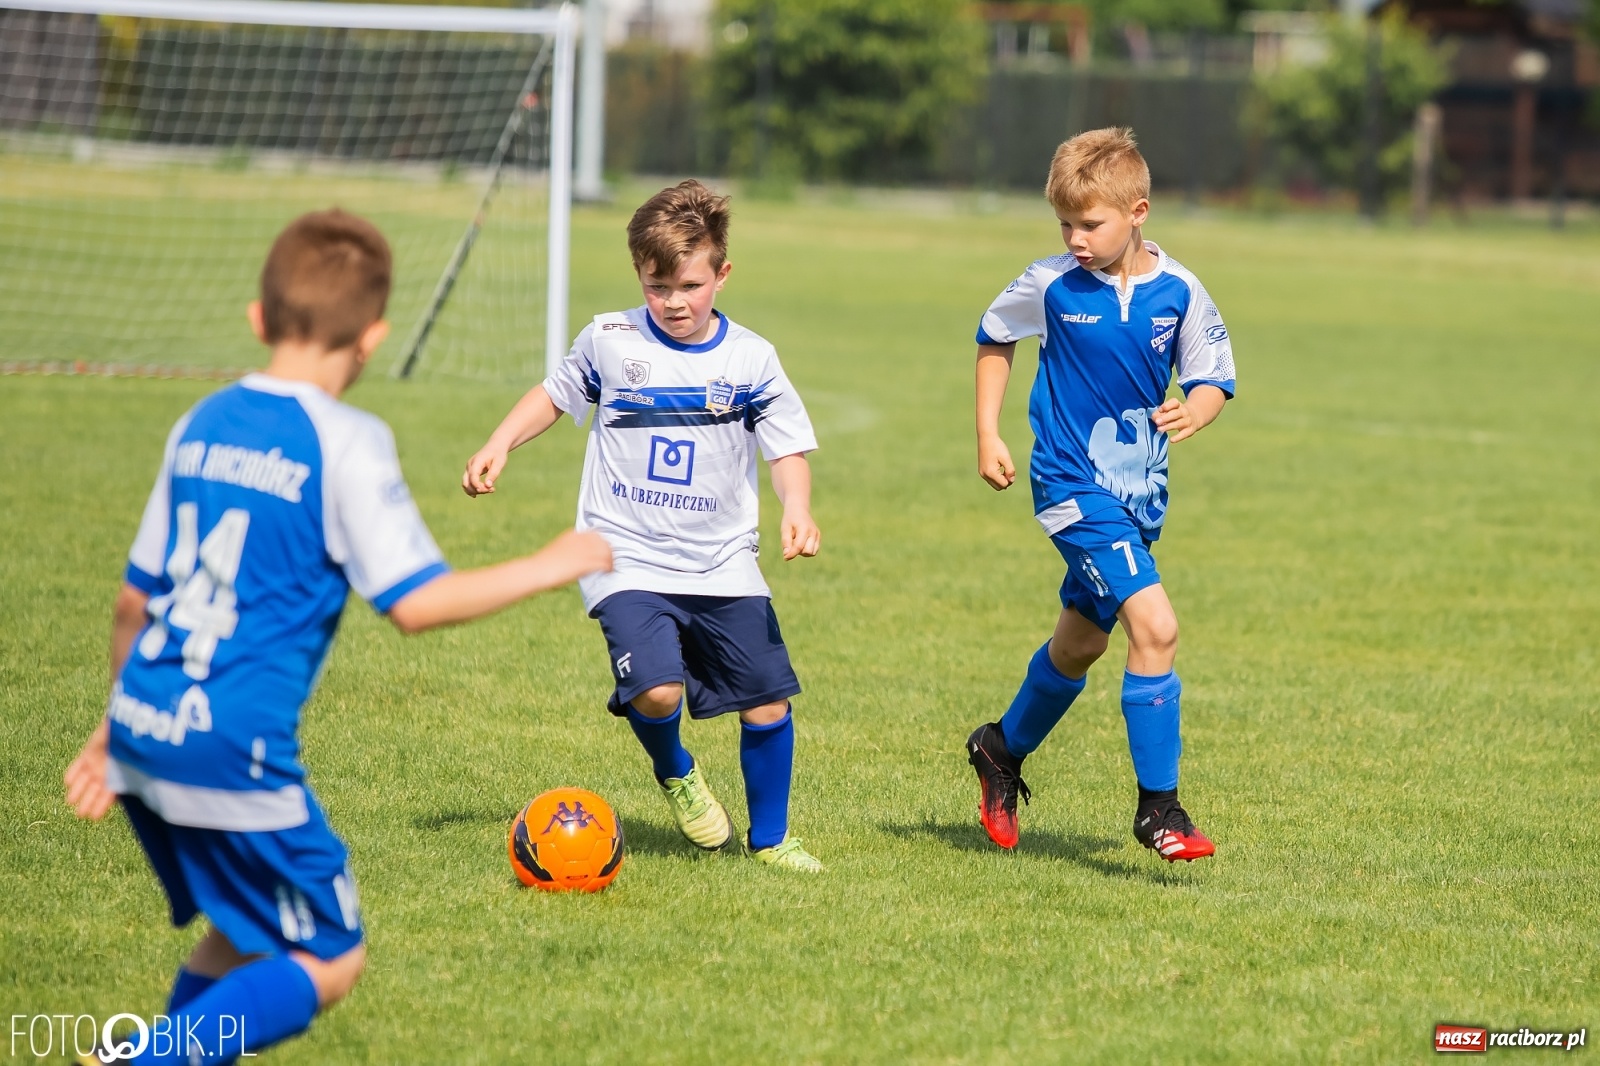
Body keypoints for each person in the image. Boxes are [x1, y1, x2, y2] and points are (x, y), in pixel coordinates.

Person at [64, 209, 612, 1065]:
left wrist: (112, 725)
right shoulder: (346, 442)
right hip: (232, 745)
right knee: (329, 951)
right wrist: (550, 562)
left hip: (144, 718)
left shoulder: (200, 422)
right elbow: (417, 602)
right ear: (374, 339)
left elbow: (133, 601)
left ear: (257, 317)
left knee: (243, 929)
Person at [463, 180, 825, 872]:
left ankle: (773, 839)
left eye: (690, 284)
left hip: (722, 562)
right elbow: (553, 394)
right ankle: (677, 773)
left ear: (722, 274)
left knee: (768, 706)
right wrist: (499, 443)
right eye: (658, 286)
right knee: (657, 691)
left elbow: (786, 448)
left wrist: (797, 508)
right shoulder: (610, 338)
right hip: (620, 554)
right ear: (639, 274)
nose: (675, 302)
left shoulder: (750, 358)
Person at [964, 128, 1236, 862]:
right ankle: (1160, 812)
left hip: (1138, 493)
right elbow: (995, 336)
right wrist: (989, 431)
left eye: (1092, 224)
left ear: (1138, 210)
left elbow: (1213, 374)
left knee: (1081, 644)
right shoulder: (1050, 284)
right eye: (1066, 225)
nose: (1076, 239)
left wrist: (1197, 409)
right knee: (1157, 627)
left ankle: (999, 748)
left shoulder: (1179, 290)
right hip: (1070, 486)